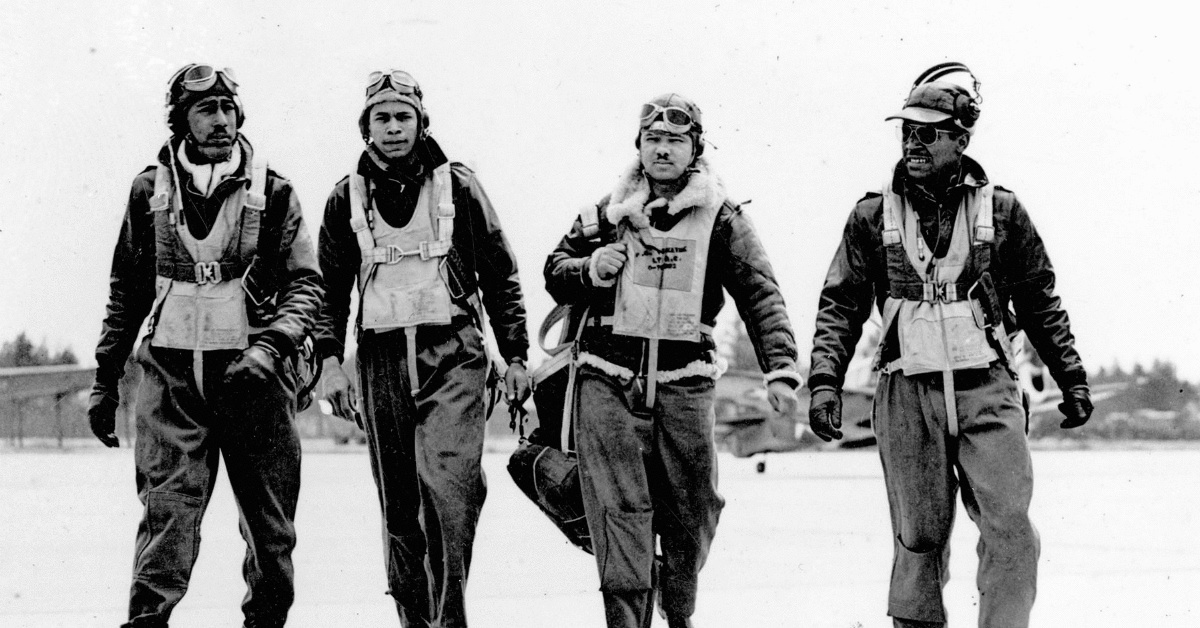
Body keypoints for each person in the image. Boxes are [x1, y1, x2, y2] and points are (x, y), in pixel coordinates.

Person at [806, 62, 1094, 628]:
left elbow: (1040, 300)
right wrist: (824, 383)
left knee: (1011, 531)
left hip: (988, 390)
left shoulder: (1002, 212)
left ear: (961, 140)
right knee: (918, 539)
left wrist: (1073, 379)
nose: (913, 143)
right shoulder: (871, 216)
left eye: (929, 133)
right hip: (906, 393)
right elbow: (840, 305)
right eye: (907, 131)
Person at [545, 93, 802, 628]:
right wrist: (590, 267)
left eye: (675, 140)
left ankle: (678, 606)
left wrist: (780, 369)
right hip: (607, 377)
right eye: (653, 139)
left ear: (695, 149)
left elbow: (761, 293)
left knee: (694, 510)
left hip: (686, 382)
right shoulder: (605, 215)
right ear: (639, 146)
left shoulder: (722, 218)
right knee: (620, 512)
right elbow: (555, 268)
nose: (662, 150)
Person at [85, 64, 324, 628]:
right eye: (205, 109)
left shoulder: (274, 192)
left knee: (270, 534)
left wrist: (272, 347)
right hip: (172, 383)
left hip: (256, 380)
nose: (220, 120)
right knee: (166, 519)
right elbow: (127, 291)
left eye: (227, 108)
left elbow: (305, 284)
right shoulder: (149, 192)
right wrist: (105, 380)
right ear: (181, 120)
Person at [314, 69, 530, 628]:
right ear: (366, 127)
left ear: (421, 122)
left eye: (402, 117)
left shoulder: (458, 186)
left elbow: (500, 274)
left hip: (453, 354)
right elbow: (329, 292)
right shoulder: (344, 198)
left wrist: (516, 356)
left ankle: (449, 620)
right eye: (382, 118)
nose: (393, 128)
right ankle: (415, 620)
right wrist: (330, 364)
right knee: (400, 508)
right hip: (380, 360)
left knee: (451, 496)